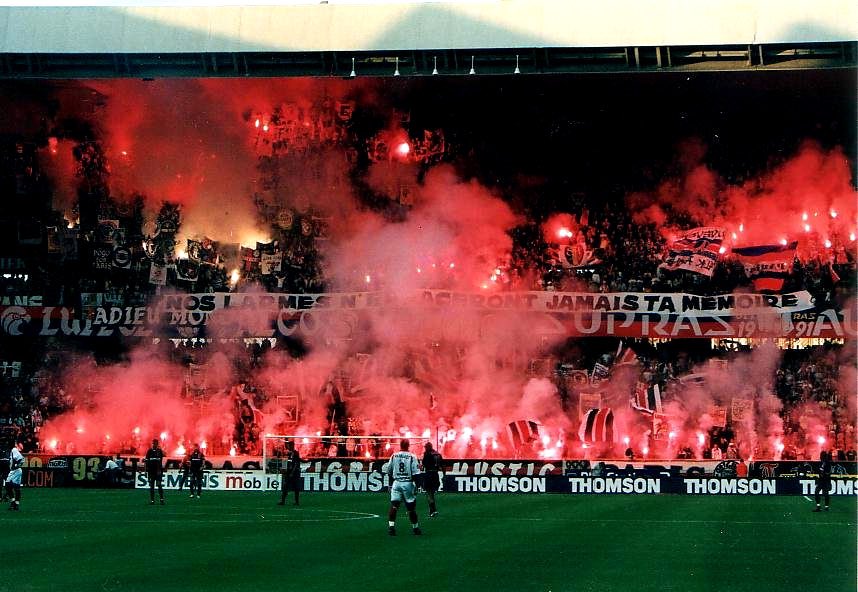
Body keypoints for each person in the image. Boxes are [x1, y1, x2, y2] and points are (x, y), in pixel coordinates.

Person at [386, 439, 421, 536]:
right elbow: (416, 472)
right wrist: (417, 486)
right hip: (407, 483)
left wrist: (390, 484)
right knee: (411, 508)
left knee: (394, 506)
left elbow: (389, 471)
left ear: (400, 445)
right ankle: (416, 528)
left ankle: (391, 527)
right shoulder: (412, 456)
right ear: (408, 446)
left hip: (396, 483)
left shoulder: (394, 456)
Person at [277, 440, 302, 506]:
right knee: (285, 487)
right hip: (288, 473)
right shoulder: (288, 453)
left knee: (296, 488)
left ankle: (297, 502)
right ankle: (283, 501)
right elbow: (286, 462)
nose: (288, 446)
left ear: (292, 445)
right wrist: (284, 469)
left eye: (289, 445)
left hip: (294, 473)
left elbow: (296, 463)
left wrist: (292, 472)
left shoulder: (295, 453)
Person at [421, 441, 443, 518]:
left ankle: (432, 510)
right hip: (435, 475)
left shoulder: (427, 454)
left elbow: (423, 465)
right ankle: (433, 510)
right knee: (432, 493)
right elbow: (442, 465)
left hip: (429, 474)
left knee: (428, 493)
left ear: (427, 447)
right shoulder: (438, 454)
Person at [143, 438, 165, 505]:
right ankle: (152, 500)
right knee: (152, 486)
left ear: (157, 444)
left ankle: (161, 499)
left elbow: (161, 460)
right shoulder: (149, 451)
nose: (153, 444)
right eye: (153, 443)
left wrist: (160, 470)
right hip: (151, 471)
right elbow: (146, 462)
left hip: (158, 471)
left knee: (159, 485)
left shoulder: (159, 451)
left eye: (155, 443)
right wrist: (145, 471)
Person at [5, 442, 24, 511]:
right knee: (11, 487)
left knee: (9, 486)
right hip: (14, 471)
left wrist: (16, 466)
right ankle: (15, 503)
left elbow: (21, 459)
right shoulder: (12, 450)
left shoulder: (14, 450)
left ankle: (14, 503)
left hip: (16, 471)